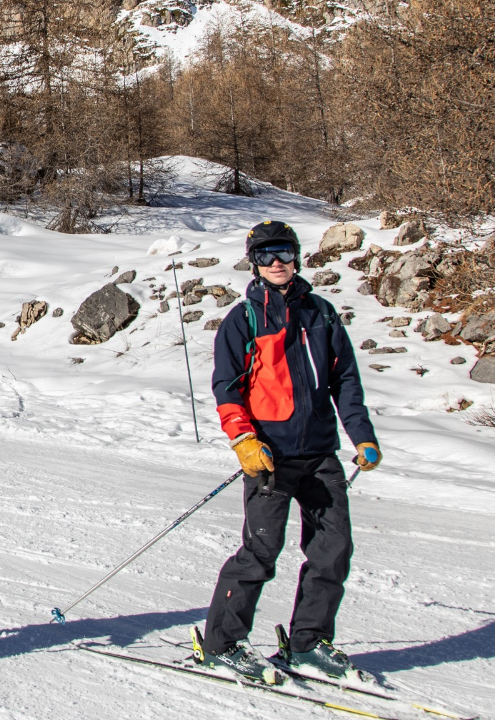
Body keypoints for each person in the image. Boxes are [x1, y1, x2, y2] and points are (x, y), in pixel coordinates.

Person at [197, 221, 382, 683]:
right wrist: (243, 439)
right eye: (265, 255)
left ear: (296, 256)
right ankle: (221, 644)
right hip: (269, 455)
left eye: (283, 252)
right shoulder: (245, 318)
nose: (276, 262)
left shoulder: (321, 313)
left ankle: (308, 642)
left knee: (332, 550)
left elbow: (346, 381)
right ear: (254, 263)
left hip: (320, 453)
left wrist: (362, 435)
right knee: (260, 552)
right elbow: (227, 387)